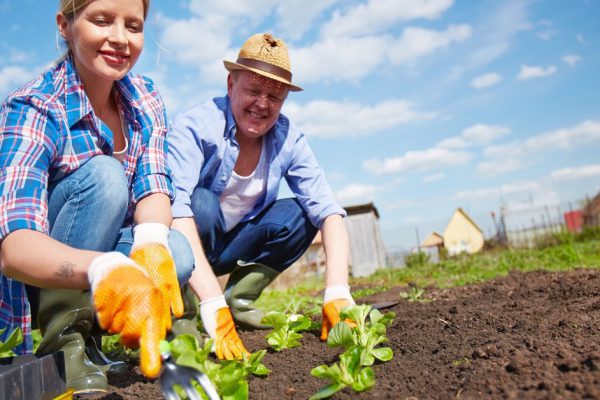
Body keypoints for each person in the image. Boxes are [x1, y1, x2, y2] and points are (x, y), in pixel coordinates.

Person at [0, 0, 194, 395]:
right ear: (65, 26)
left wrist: (151, 246)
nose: (120, 39)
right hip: (39, 274)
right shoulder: (35, 105)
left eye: (134, 26)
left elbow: (154, 184)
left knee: (176, 248)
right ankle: (64, 339)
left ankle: (97, 336)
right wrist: (106, 269)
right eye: (102, 21)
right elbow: (13, 249)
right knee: (105, 177)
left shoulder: (144, 98)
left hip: (93, 261)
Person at [167, 32, 356, 357]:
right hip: (187, 244)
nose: (263, 104)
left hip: (233, 246)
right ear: (230, 84)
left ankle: (238, 303)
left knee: (300, 215)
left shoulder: (288, 139)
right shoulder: (196, 127)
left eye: (275, 96)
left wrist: (337, 291)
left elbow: (329, 211)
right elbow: (173, 210)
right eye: (253, 90)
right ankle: (183, 312)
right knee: (201, 202)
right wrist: (209, 302)